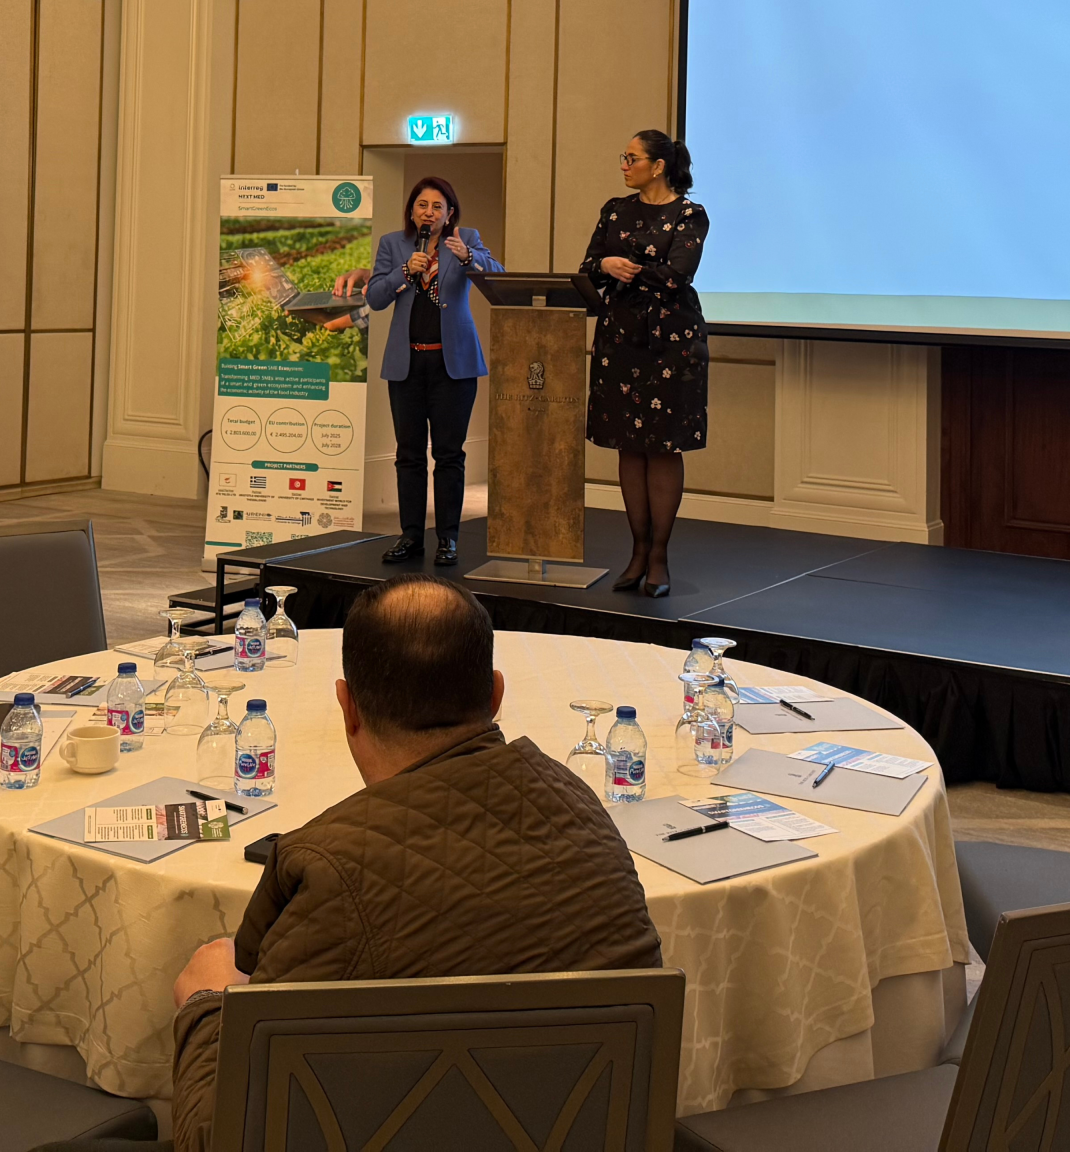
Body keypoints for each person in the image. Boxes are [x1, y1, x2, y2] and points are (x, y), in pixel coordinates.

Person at [166, 576, 658, 1150]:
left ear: (348, 708)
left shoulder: (328, 868)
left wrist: (206, 1008)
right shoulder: (584, 807)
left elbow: (224, 1137)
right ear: (496, 695)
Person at [580, 131, 709, 598]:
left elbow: (677, 275)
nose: (623, 164)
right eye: (624, 157)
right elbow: (588, 266)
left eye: (631, 158)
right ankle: (636, 552)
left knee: (663, 446)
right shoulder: (615, 210)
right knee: (628, 446)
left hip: (671, 343)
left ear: (658, 166)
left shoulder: (690, 214)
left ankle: (658, 557)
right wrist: (606, 266)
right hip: (619, 337)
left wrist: (626, 268)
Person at [350, 178, 501, 568]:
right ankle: (411, 536)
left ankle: (448, 538)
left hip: (453, 367)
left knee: (449, 455)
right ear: (412, 210)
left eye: (437, 206)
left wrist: (468, 257)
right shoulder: (394, 244)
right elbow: (376, 298)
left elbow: (496, 277)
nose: (429, 212)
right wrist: (404, 271)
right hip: (408, 365)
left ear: (450, 214)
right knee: (409, 455)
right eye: (422, 205)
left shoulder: (466, 239)